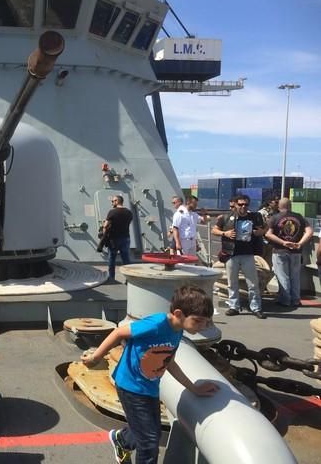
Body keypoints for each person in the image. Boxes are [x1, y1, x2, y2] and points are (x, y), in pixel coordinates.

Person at [81, 285, 219, 464]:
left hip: (150, 388)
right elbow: (119, 332)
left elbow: (169, 362)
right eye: (198, 321)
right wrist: (95, 357)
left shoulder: (177, 332)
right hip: (130, 386)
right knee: (149, 443)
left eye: (206, 322)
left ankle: (122, 439)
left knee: (151, 429)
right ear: (178, 313)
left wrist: (193, 388)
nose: (202, 326)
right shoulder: (157, 323)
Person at [212, 194, 266, 319]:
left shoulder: (254, 217)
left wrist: (260, 232)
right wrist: (225, 233)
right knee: (232, 282)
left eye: (246, 204)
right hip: (231, 254)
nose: (243, 207)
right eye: (240, 204)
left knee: (253, 283)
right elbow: (214, 230)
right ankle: (234, 306)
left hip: (248, 253)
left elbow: (265, 228)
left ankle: (256, 308)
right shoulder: (225, 217)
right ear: (235, 205)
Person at [265, 198, 313, 308]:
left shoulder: (275, 217)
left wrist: (283, 242)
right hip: (296, 251)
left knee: (283, 276)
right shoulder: (299, 217)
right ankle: (296, 300)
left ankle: (285, 300)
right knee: (295, 276)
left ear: (279, 207)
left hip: (279, 250)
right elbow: (309, 231)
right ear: (290, 206)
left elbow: (268, 234)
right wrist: (300, 243)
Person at [98, 195, 133, 282]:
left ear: (117, 201)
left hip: (114, 240)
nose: (112, 203)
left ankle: (111, 278)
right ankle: (129, 279)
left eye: (113, 201)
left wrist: (104, 228)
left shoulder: (112, 212)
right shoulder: (129, 212)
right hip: (125, 238)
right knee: (126, 260)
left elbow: (105, 225)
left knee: (112, 259)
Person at [258, 197, 279, 267]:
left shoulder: (278, 213)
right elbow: (258, 227)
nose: (278, 204)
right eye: (276, 202)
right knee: (261, 263)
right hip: (263, 241)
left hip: (273, 241)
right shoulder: (262, 213)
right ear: (270, 203)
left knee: (270, 264)